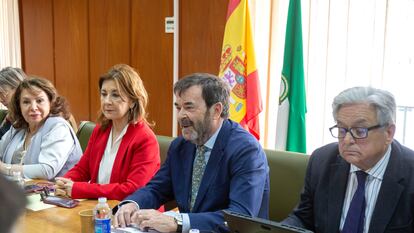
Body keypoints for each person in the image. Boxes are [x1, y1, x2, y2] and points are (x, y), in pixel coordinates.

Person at [113, 73, 270, 233]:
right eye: (178, 107)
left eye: (189, 107)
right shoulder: (181, 146)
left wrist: (178, 222)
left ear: (216, 111)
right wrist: (132, 204)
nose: (181, 115)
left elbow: (239, 218)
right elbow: (157, 188)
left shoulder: (246, 150)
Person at [282, 86, 414, 233]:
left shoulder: (410, 173)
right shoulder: (321, 160)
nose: (347, 140)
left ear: (389, 133)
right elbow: (303, 219)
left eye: (360, 131)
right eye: (342, 130)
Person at [55, 64, 161, 201]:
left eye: (115, 95)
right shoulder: (100, 130)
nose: (107, 101)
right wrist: (63, 183)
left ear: (133, 101)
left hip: (133, 215)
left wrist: (79, 189)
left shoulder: (145, 139)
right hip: (100, 207)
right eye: (104, 94)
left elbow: (133, 189)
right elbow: (82, 169)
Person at [0, 77, 82, 180]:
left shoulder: (58, 127)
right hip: (19, 191)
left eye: (39, 100)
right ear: (19, 106)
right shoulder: (19, 126)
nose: (33, 107)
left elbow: (46, 170)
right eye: (26, 102)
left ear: (50, 102)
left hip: (55, 193)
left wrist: (5, 168)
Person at [0, 67, 27, 139]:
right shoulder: (6, 117)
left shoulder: (32, 117)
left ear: (17, 87)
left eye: (2, 93)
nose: (1, 99)